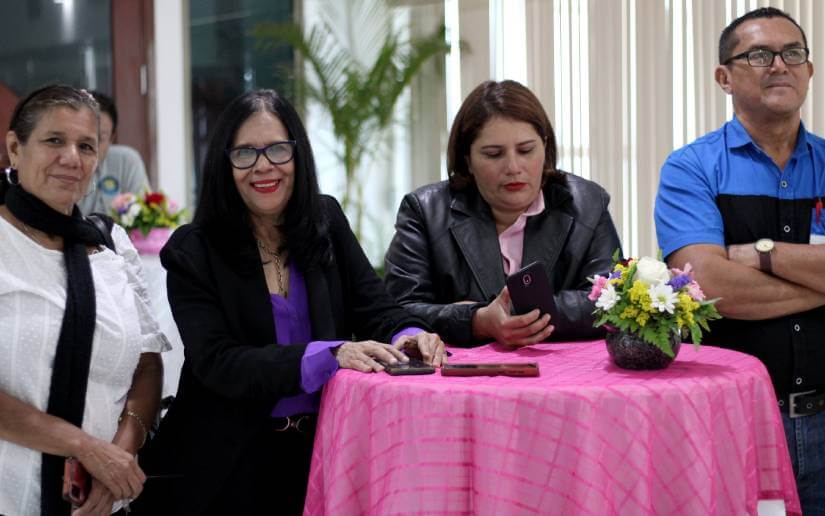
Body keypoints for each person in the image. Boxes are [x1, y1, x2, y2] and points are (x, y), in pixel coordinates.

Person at [136, 89, 446, 515]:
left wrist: (407, 335)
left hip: (324, 449)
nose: (263, 165)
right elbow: (218, 362)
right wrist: (329, 355)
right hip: (224, 465)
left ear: (298, 155)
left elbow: (376, 308)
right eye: (245, 153)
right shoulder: (193, 250)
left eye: (278, 149)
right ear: (224, 164)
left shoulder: (326, 221)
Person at [654, 7, 824, 513]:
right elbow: (706, 283)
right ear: (724, 78)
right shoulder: (692, 168)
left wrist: (761, 254)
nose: (780, 65)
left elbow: (729, 276)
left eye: (792, 53)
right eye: (759, 55)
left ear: (809, 70)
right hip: (735, 420)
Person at [0, 84, 168, 515]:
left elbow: (148, 364)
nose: (72, 158)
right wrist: (85, 447)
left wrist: (118, 459)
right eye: (54, 140)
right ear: (15, 148)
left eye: (86, 146)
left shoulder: (111, 243)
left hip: (103, 500)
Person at [384, 80, 621, 348]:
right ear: (467, 159)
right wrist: (476, 320)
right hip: (460, 371)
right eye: (494, 154)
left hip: (562, 367)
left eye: (526, 150)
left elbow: (610, 299)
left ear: (545, 147)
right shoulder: (425, 211)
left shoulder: (587, 203)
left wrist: (507, 311)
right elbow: (396, 311)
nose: (513, 167)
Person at [77, 91, 150, 215]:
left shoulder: (127, 160)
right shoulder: (63, 163)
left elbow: (145, 215)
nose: (91, 147)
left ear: (112, 137)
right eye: (84, 139)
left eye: (100, 138)